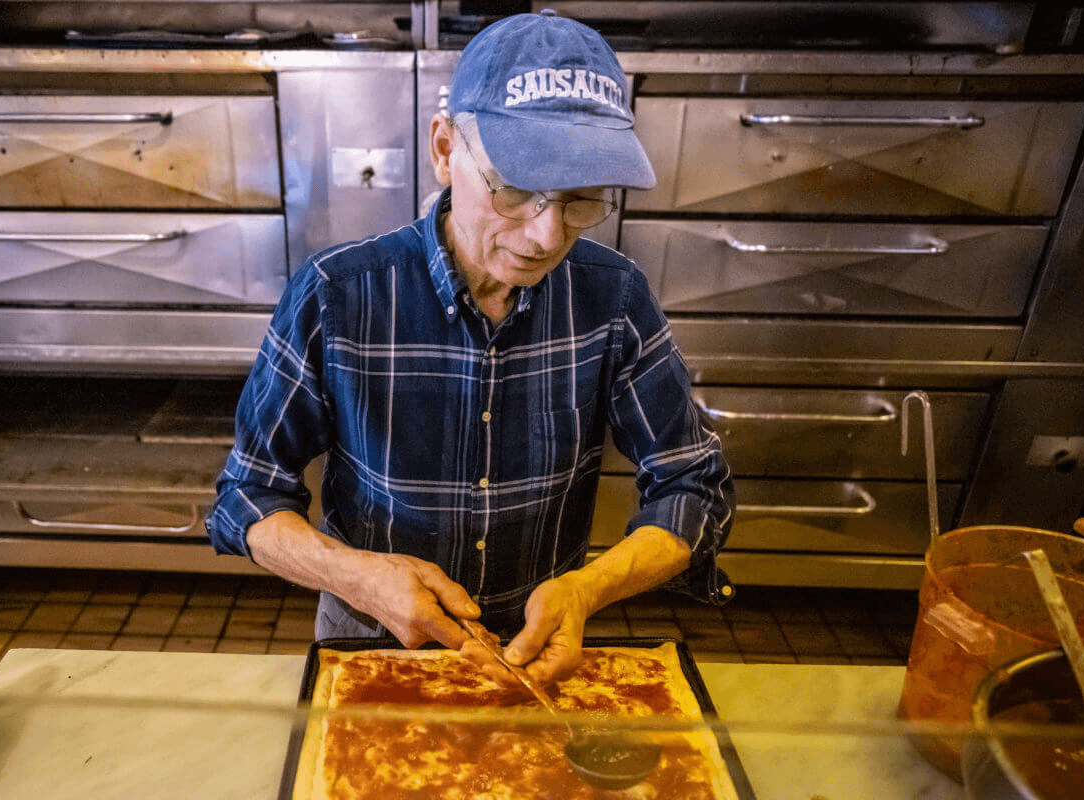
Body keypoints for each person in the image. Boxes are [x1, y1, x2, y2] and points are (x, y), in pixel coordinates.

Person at [205, 10, 735, 686]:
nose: (546, 237)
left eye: (580, 201)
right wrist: (360, 578)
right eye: (515, 189)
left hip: (538, 654)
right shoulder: (336, 294)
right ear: (444, 148)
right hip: (372, 645)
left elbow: (695, 484)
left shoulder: (616, 298)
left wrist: (587, 589)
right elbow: (246, 498)